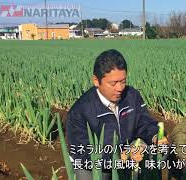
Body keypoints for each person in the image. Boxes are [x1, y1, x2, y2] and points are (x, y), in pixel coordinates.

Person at [66, 49, 168, 180]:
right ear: (96, 81)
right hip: (95, 164)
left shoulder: (132, 96)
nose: (120, 88)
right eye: (113, 83)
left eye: (123, 81)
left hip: (126, 153)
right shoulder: (79, 111)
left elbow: (143, 122)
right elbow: (82, 151)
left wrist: (155, 136)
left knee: (146, 150)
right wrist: (118, 156)